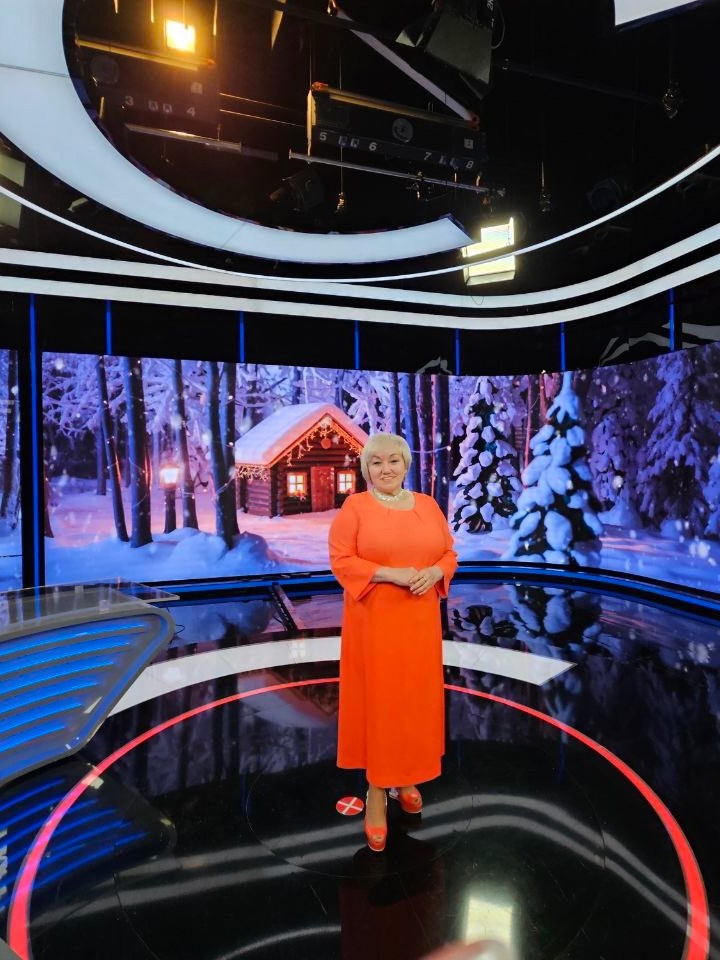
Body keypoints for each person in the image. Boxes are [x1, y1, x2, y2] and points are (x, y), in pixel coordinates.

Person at [328, 432, 458, 852]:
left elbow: (449, 553)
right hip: (375, 624)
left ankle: (405, 776)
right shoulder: (355, 507)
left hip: (420, 625)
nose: (386, 469)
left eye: (393, 461)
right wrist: (390, 574)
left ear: (406, 464)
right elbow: (342, 560)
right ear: (366, 468)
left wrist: (436, 572)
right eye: (376, 462)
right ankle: (377, 791)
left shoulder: (428, 504)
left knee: (412, 702)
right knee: (382, 703)